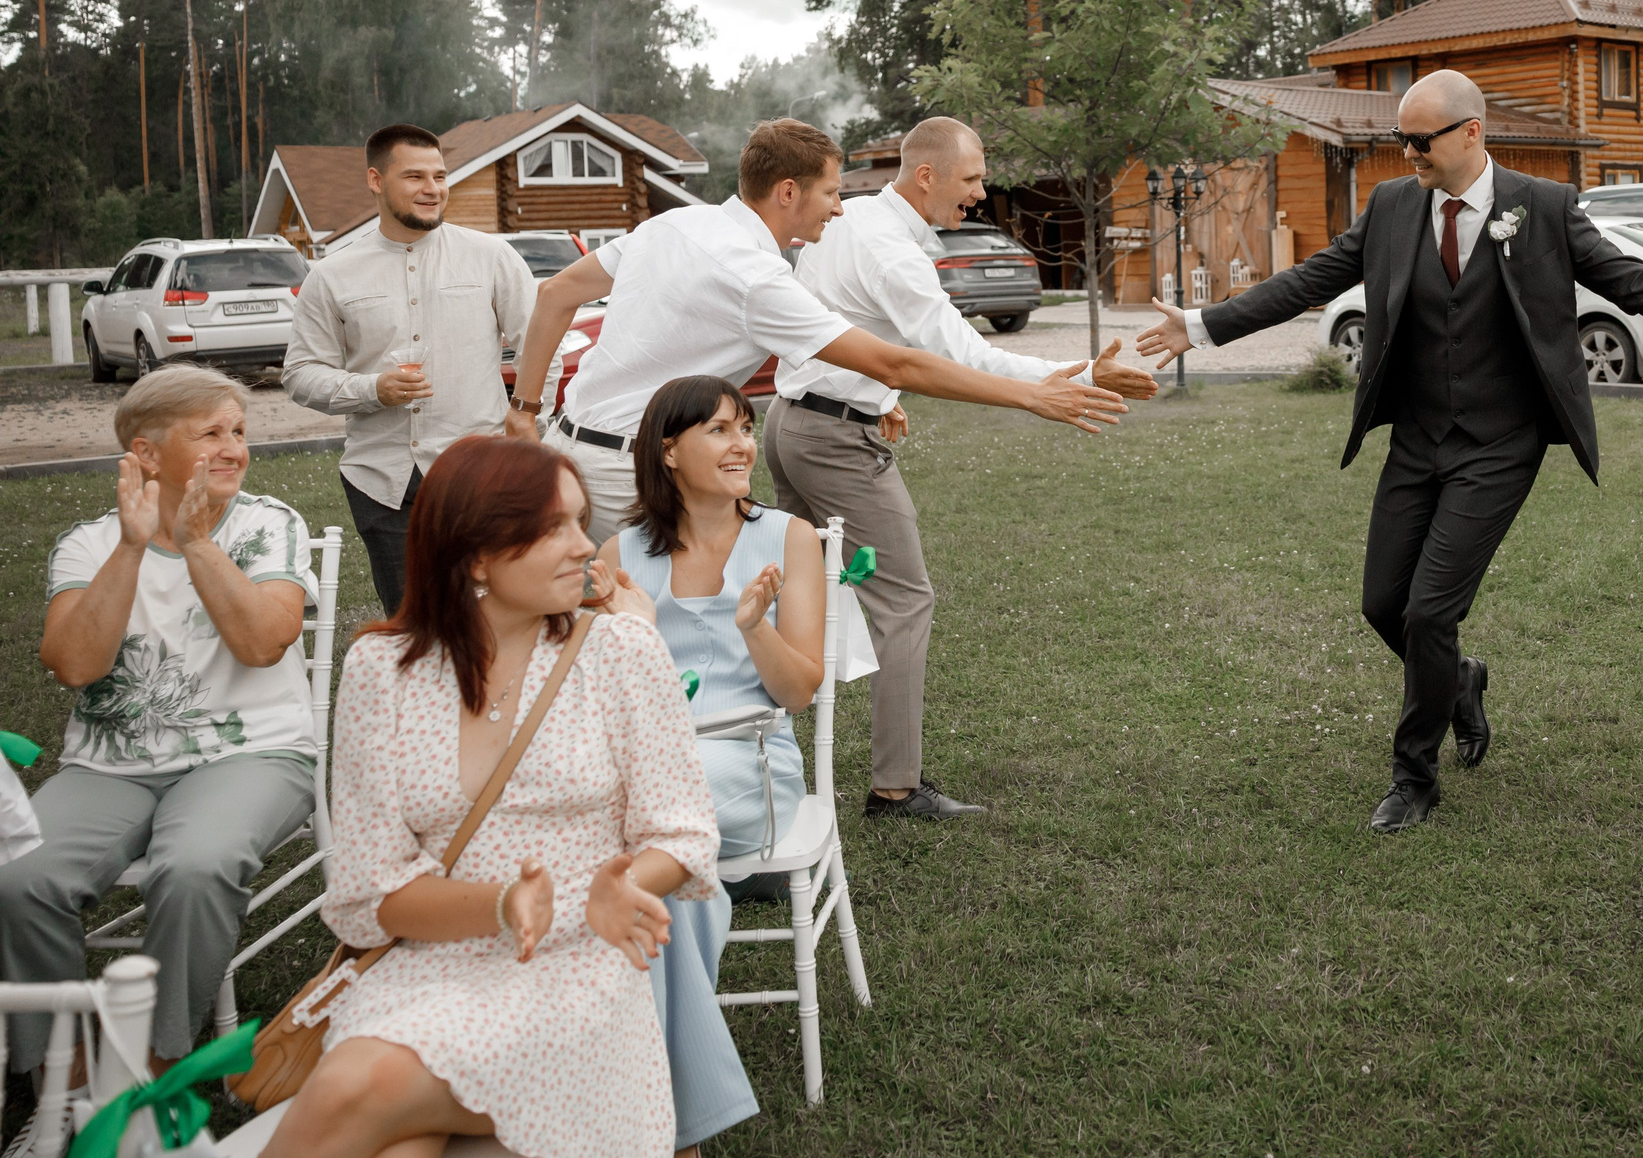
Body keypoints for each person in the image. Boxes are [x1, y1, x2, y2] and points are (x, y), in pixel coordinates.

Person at [1137, 70, 1643, 833]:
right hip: (1417, 439)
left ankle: (1414, 777)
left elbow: (1642, 286)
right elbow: (1311, 278)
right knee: (1383, 606)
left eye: (1420, 140)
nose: (1407, 154)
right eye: (1400, 140)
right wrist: (1202, 326)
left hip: (1501, 445)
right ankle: (1460, 679)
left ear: (1471, 132)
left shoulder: (1545, 208)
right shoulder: (1392, 206)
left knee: (1429, 610)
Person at [271, 434, 720, 1158]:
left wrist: (615, 890)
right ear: (475, 556)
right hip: (425, 970)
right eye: (553, 528)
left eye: (581, 521)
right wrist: (503, 905)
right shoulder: (382, 670)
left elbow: (684, 833)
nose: (586, 546)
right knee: (390, 1136)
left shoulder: (621, 653)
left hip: (577, 972)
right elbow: (371, 891)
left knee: (357, 1087)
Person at [769, 116, 1154, 821]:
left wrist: (876, 395)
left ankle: (767, 769)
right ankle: (895, 789)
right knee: (903, 601)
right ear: (927, 176)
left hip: (793, 422)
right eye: (972, 179)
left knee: (795, 598)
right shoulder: (892, 251)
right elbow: (960, 354)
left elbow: (833, 320)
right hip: (833, 441)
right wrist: (1071, 378)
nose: (980, 193)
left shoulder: (854, 217)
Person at [507, 118, 1130, 542]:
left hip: (566, 453)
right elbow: (895, 362)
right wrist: (1031, 395)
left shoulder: (675, 224)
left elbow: (556, 295)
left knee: (588, 639)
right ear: (788, 192)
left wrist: (524, 412)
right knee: (687, 651)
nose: (839, 206)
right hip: (636, 479)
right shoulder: (758, 279)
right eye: (831, 192)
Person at [0, 367, 317, 1073]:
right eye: (211, 434)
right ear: (146, 454)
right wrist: (133, 547)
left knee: (196, 865)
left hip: (251, 754)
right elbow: (75, 665)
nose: (234, 448)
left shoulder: (268, 524)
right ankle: (62, 1067)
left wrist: (198, 543)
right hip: (111, 765)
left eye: (239, 431)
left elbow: (264, 643)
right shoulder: (88, 544)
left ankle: (153, 1062)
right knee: (19, 875)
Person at [592, 375, 825, 1153]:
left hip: (748, 763)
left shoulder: (788, 538)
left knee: (641, 848)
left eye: (745, 428)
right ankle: (667, 1102)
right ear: (668, 451)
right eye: (720, 430)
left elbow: (798, 693)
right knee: (671, 877)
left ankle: (636, 1085)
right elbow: (600, 690)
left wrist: (753, 625)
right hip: (645, 774)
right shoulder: (622, 553)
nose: (742, 446)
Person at [285, 122, 538, 614]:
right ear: (376, 180)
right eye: (415, 177)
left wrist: (526, 414)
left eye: (440, 176)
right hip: (383, 481)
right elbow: (300, 373)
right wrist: (372, 389)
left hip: (480, 473)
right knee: (411, 625)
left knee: (498, 616)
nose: (433, 189)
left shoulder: (491, 257)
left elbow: (539, 344)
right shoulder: (332, 275)